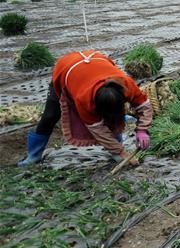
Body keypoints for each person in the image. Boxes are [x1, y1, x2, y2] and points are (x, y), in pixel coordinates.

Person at [18, 51, 153, 166]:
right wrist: (121, 152)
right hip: (66, 69)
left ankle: (116, 148)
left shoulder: (126, 84)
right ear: (95, 106)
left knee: (113, 118)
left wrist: (142, 130)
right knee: (50, 115)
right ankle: (34, 155)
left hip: (96, 61)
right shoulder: (84, 99)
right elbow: (98, 129)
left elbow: (145, 106)